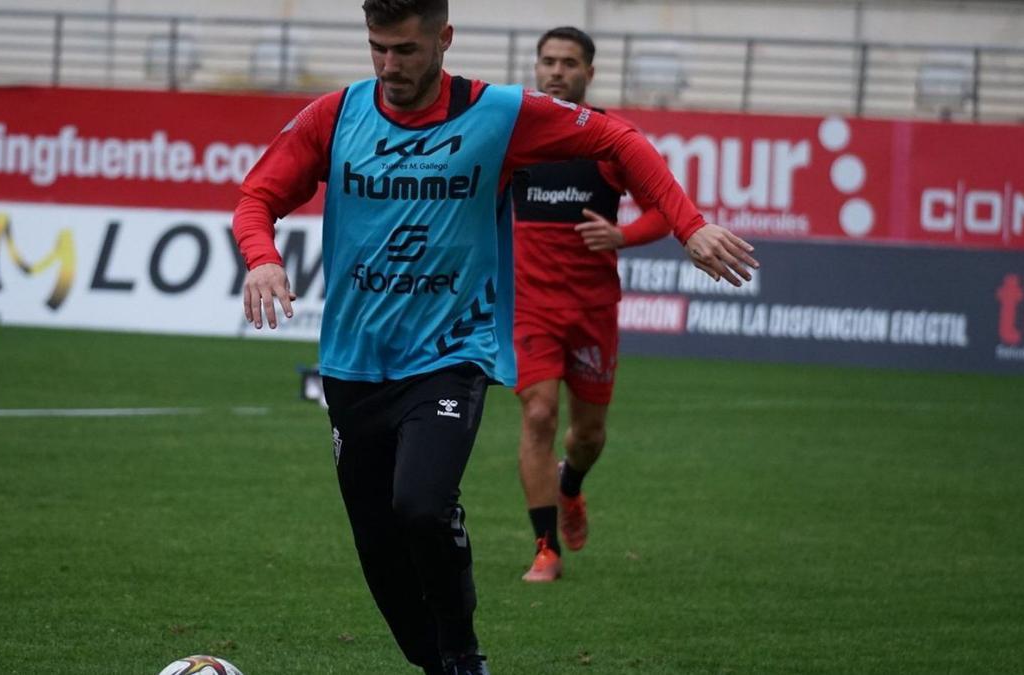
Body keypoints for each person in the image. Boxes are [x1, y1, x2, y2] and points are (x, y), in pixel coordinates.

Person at [232, 2, 758, 673]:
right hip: (354, 363)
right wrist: (262, 255)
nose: (390, 66)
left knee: (421, 504)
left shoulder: (500, 113)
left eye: (407, 50)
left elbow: (618, 138)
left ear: (444, 39)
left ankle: (464, 652)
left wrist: (689, 225)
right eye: (378, 49)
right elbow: (257, 196)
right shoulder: (335, 115)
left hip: (451, 353)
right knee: (378, 544)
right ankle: (438, 664)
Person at [512, 27, 670, 582]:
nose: (556, 71)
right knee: (537, 414)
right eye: (548, 61)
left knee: (588, 436)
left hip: (593, 309)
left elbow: (662, 209)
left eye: (569, 63)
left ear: (589, 74)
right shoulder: (512, 133)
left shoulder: (610, 139)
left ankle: (570, 486)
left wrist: (624, 236)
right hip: (528, 306)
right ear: (536, 67)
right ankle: (544, 549)